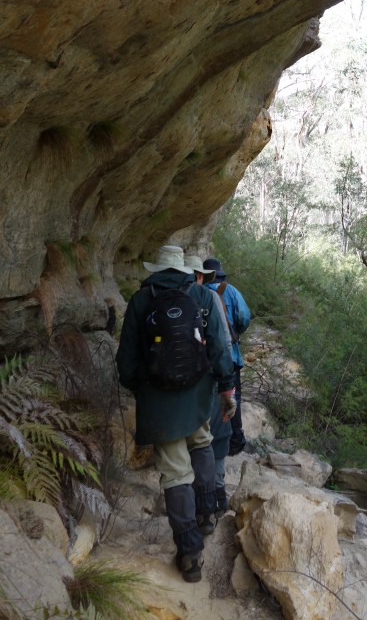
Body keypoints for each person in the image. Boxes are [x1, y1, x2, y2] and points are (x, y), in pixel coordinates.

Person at [116, 245, 236, 583]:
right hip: (198, 395)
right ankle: (207, 515)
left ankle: (190, 553)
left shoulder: (141, 300)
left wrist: (142, 387)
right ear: (183, 269)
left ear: (157, 269)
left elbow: (126, 363)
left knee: (174, 473)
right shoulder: (200, 294)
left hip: (158, 399)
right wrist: (227, 389)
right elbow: (218, 349)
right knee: (201, 445)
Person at [203, 256, 251, 516]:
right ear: (220, 275)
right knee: (233, 398)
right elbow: (244, 317)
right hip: (230, 358)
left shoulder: (196, 292)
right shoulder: (229, 291)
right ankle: (235, 437)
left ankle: (205, 442)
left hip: (202, 363)